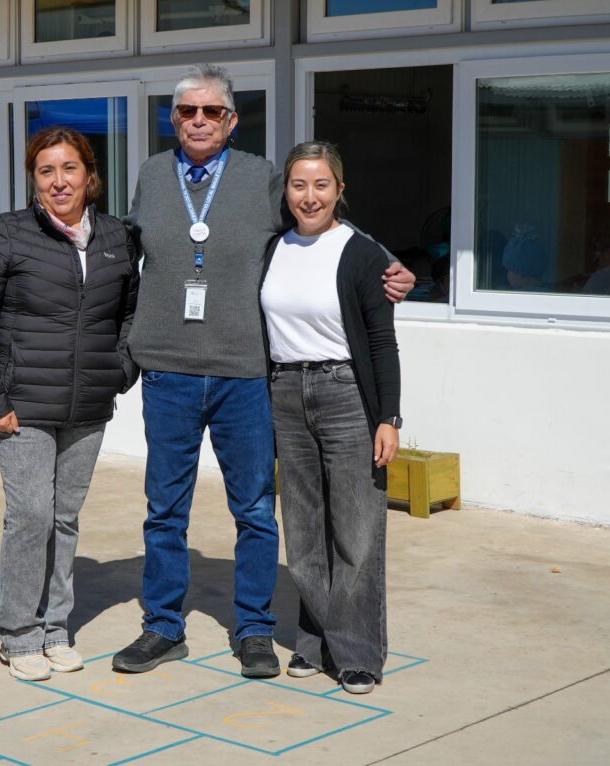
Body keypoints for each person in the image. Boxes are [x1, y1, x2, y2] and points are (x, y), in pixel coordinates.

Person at [112, 64, 415, 678]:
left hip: (245, 374)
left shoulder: (261, 177)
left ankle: (253, 627)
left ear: (232, 121)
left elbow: (320, 219)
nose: (199, 121)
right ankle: (163, 626)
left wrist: (387, 261)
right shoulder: (151, 174)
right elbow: (126, 253)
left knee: (253, 509)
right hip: (168, 372)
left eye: (212, 111)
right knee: (164, 510)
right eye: (188, 111)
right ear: (174, 118)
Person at [0, 126, 139, 682]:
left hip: (88, 405)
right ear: (33, 179)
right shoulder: (6, 234)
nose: (59, 181)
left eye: (69, 169)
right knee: (30, 516)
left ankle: (55, 627)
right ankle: (18, 633)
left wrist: (119, 371)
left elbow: (130, 312)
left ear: (90, 176)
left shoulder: (116, 236)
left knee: (65, 517)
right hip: (21, 405)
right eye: (46, 171)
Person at [261, 141, 400, 695]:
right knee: (303, 531)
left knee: (357, 531)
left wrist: (388, 417)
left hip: (346, 395)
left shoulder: (361, 253)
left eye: (321, 184)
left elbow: (382, 342)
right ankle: (316, 640)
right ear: (286, 191)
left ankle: (358, 653)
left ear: (340, 190)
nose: (310, 196)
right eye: (299, 184)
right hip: (285, 393)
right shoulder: (273, 248)